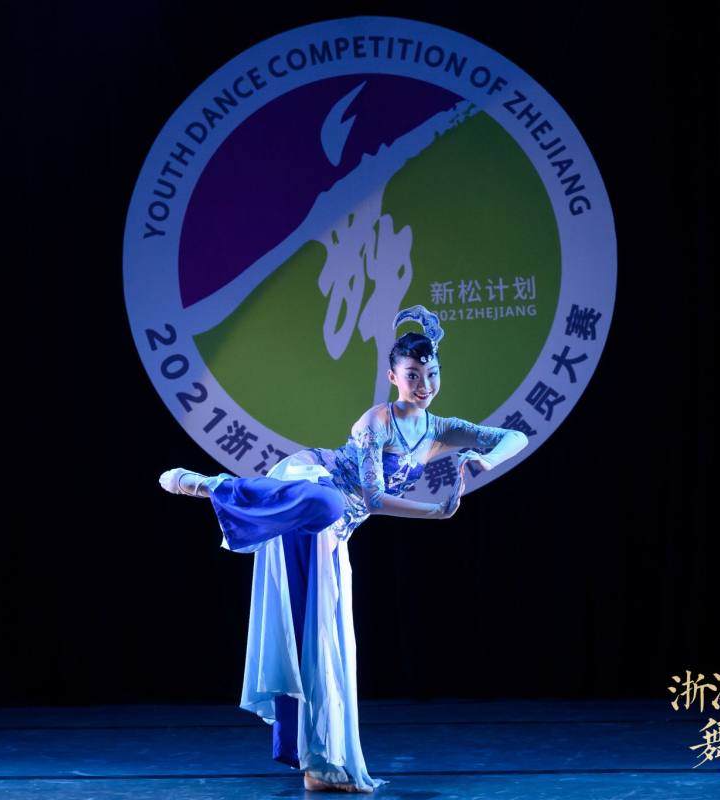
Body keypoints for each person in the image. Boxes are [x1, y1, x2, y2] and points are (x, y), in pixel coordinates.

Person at [159, 304, 529, 793]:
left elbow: (515, 435)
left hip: (334, 530)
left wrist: (482, 461)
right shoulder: (377, 421)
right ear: (393, 377)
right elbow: (372, 499)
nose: (424, 385)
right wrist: (435, 512)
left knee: (325, 641)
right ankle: (215, 486)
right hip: (313, 482)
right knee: (326, 502)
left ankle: (322, 765)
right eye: (413, 375)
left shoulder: (440, 431)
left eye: (432, 374)